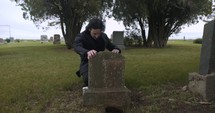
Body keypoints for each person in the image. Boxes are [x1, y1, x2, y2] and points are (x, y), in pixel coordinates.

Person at [74, 18, 121, 87]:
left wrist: (116, 49)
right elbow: (77, 46)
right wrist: (87, 52)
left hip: (101, 61)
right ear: (90, 29)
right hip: (87, 62)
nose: (97, 36)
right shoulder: (82, 36)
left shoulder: (103, 36)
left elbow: (111, 45)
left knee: (111, 77)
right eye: (94, 34)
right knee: (89, 79)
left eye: (99, 33)